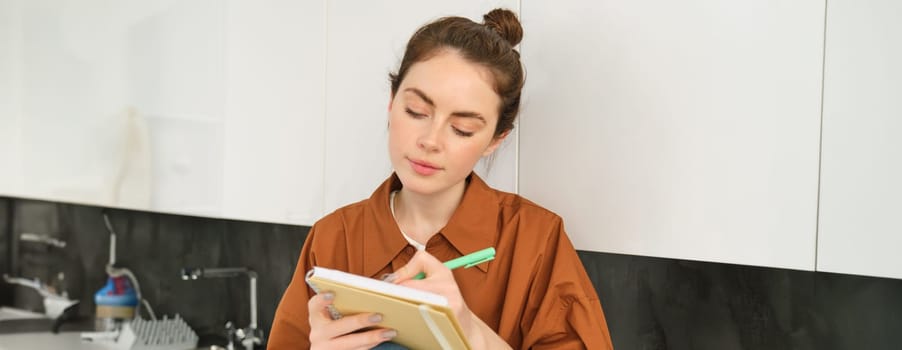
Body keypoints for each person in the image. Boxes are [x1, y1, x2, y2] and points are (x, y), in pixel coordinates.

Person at [268, 8, 613, 350]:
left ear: (495, 139)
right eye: (416, 112)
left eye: (462, 130)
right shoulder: (332, 239)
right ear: (391, 102)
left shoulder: (535, 242)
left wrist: (470, 330)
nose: (430, 141)